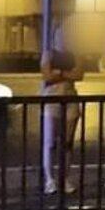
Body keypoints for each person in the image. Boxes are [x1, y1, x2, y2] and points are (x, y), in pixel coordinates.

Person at [39, 28, 85, 196]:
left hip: (70, 99)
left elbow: (79, 74)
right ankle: (49, 180)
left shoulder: (75, 54)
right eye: (60, 36)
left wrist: (58, 73)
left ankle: (64, 178)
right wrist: (66, 74)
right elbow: (46, 76)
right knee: (50, 142)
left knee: (67, 143)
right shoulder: (49, 54)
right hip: (52, 100)